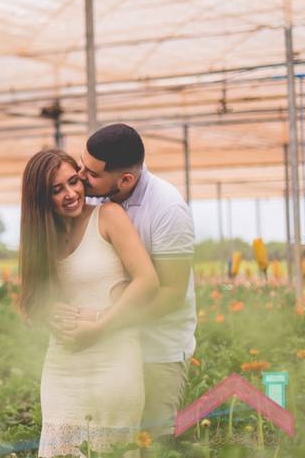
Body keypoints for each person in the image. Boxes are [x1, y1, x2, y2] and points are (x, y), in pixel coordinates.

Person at [55, 123, 197, 439]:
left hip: (155, 349)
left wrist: (103, 321)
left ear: (126, 180)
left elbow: (172, 294)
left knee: (149, 440)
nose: (79, 175)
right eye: (81, 163)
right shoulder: (90, 198)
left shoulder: (167, 209)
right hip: (105, 348)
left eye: (91, 173)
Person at [19, 149, 159, 457]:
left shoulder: (107, 216)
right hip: (62, 367)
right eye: (57, 190)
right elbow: (31, 305)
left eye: (73, 182)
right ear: (41, 198)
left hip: (114, 359)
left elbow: (148, 282)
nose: (71, 194)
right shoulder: (42, 237)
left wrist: (99, 326)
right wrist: (47, 313)